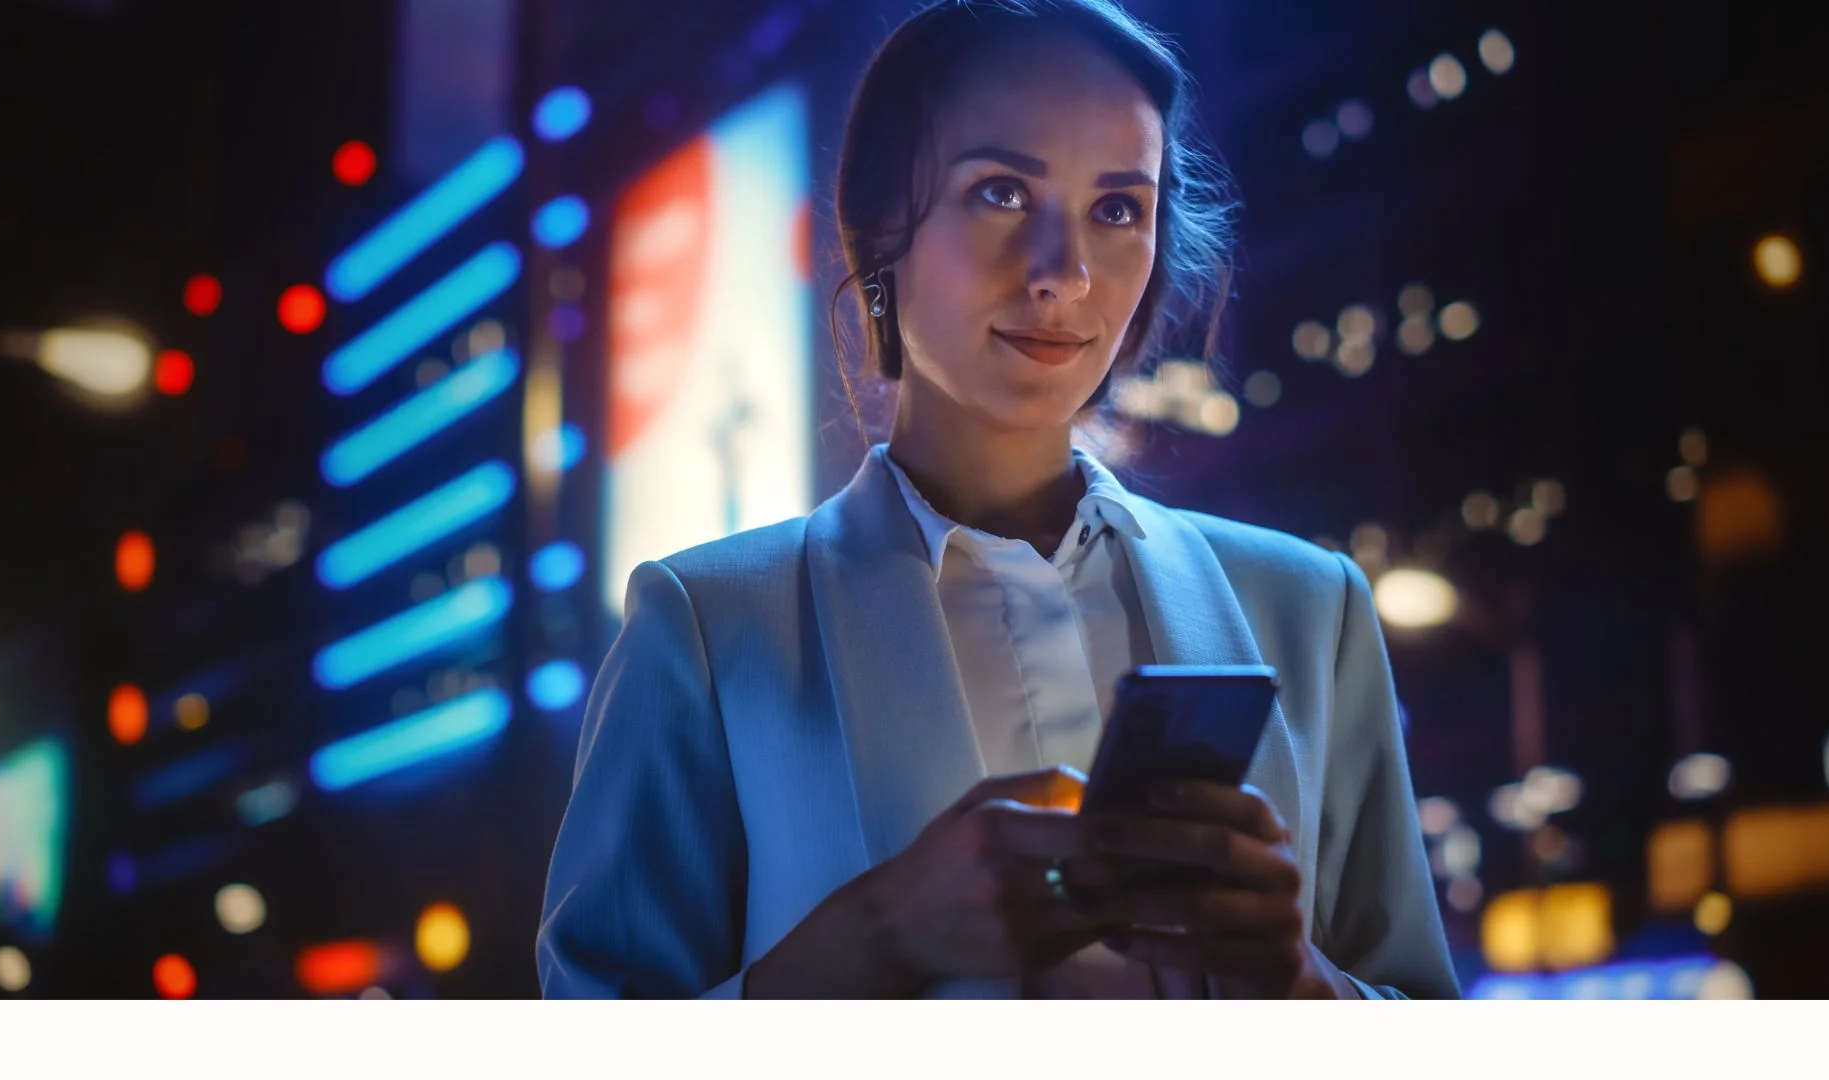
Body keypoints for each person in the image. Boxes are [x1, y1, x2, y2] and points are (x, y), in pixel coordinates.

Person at [536, 0, 1459, 999]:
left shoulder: (1311, 608)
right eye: (1001, 192)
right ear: (880, 228)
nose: (1065, 272)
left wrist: (1304, 991)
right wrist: (876, 939)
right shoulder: (708, 628)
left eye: (1118, 208)